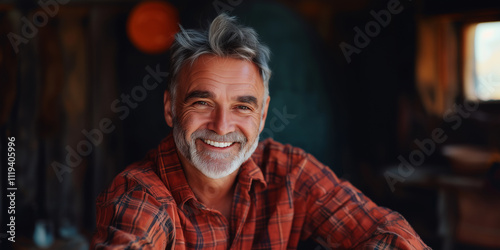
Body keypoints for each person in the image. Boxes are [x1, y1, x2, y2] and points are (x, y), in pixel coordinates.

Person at [91, 14, 429, 249]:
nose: (222, 127)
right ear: (169, 109)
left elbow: (386, 230)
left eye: (242, 106)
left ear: (263, 113)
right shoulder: (140, 193)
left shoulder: (290, 173)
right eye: (202, 103)